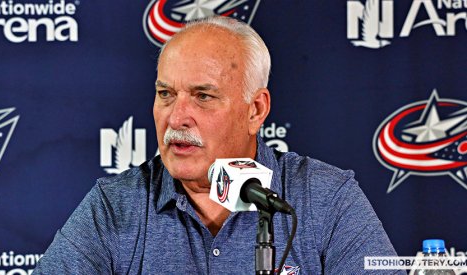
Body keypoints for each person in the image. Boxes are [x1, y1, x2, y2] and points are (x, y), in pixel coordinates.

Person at [33, 16, 402, 274]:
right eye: (166, 94)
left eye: (203, 96)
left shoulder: (327, 198)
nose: (176, 118)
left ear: (256, 110)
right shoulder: (114, 205)